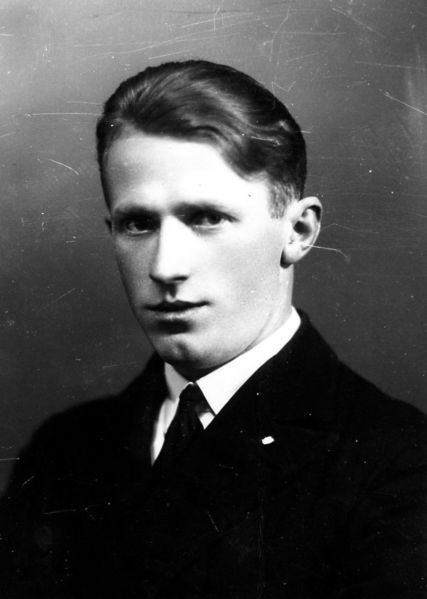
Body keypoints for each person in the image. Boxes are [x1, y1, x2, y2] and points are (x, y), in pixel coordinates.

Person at [0, 60, 425, 599]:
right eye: (138, 223)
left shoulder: (398, 463)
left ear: (298, 231)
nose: (165, 267)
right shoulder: (62, 451)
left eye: (206, 218)